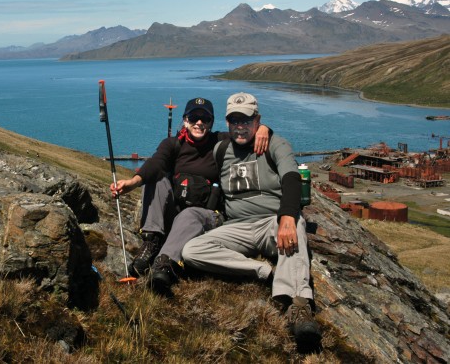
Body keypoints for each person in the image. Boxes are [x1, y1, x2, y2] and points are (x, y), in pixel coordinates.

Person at [181, 92, 322, 346]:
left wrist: (288, 216)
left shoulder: (275, 143)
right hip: (236, 227)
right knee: (192, 250)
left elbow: (292, 177)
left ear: (257, 120)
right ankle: (265, 272)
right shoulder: (221, 149)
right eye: (234, 120)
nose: (240, 126)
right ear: (227, 123)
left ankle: (298, 306)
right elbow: (193, 150)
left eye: (246, 120)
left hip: (271, 222)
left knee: (297, 226)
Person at [110, 97, 270, 295]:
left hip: (207, 216)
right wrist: (133, 182)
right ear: (185, 120)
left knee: (190, 214)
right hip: (175, 214)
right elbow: (156, 163)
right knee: (157, 179)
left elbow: (245, 133)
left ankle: (165, 264)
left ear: (211, 123)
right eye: (194, 117)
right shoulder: (173, 144)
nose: (199, 123)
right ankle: (152, 242)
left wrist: (264, 129)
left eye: (205, 119)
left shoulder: (221, 143)